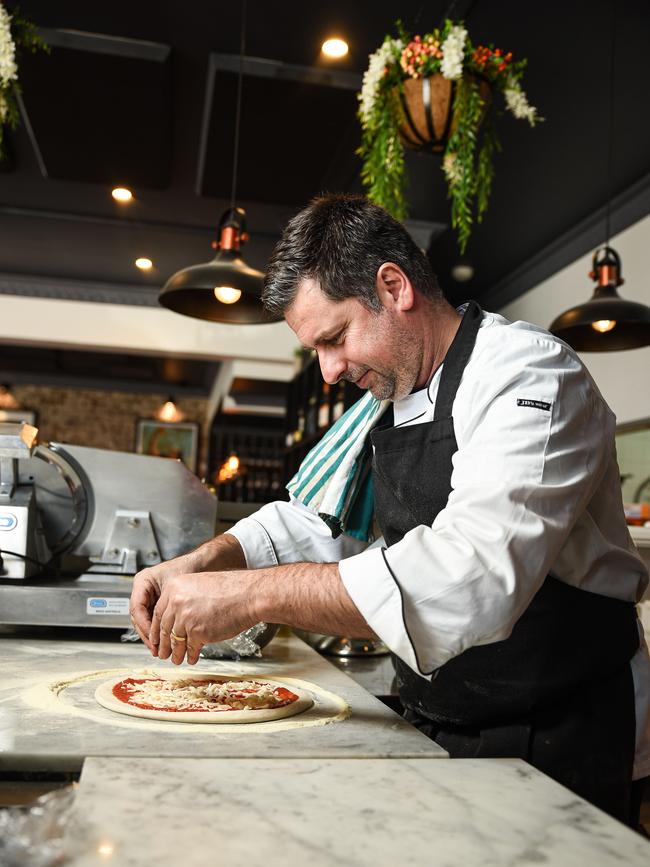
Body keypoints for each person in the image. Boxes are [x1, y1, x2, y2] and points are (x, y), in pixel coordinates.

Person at [131, 194, 649, 826]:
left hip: (557, 726)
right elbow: (316, 520)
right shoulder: (389, 393)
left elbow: (472, 580)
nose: (327, 372)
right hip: (437, 712)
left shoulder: (529, 373)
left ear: (394, 286)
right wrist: (207, 560)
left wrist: (247, 596)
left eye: (334, 339)